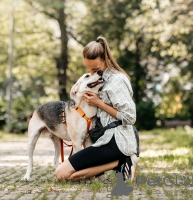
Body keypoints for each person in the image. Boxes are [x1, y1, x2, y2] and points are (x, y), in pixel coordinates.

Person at [55, 36, 139, 182]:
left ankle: (123, 161)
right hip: (102, 138)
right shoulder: (98, 80)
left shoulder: (116, 80)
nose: (92, 73)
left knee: (62, 174)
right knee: (68, 176)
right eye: (88, 69)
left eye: (95, 68)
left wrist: (99, 103)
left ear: (105, 59)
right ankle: (119, 163)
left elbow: (130, 117)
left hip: (116, 140)